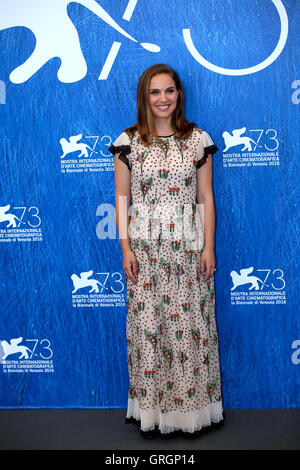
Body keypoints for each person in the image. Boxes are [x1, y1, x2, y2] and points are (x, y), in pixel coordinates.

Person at [109, 63, 225, 438]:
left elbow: (205, 196)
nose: (163, 98)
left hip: (188, 249)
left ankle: (192, 413)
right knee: (149, 330)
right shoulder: (128, 141)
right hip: (144, 249)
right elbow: (122, 198)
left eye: (169, 90)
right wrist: (125, 248)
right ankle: (152, 413)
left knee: (190, 329)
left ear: (179, 95)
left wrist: (209, 247)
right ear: (145, 96)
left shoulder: (197, 139)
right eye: (155, 91)